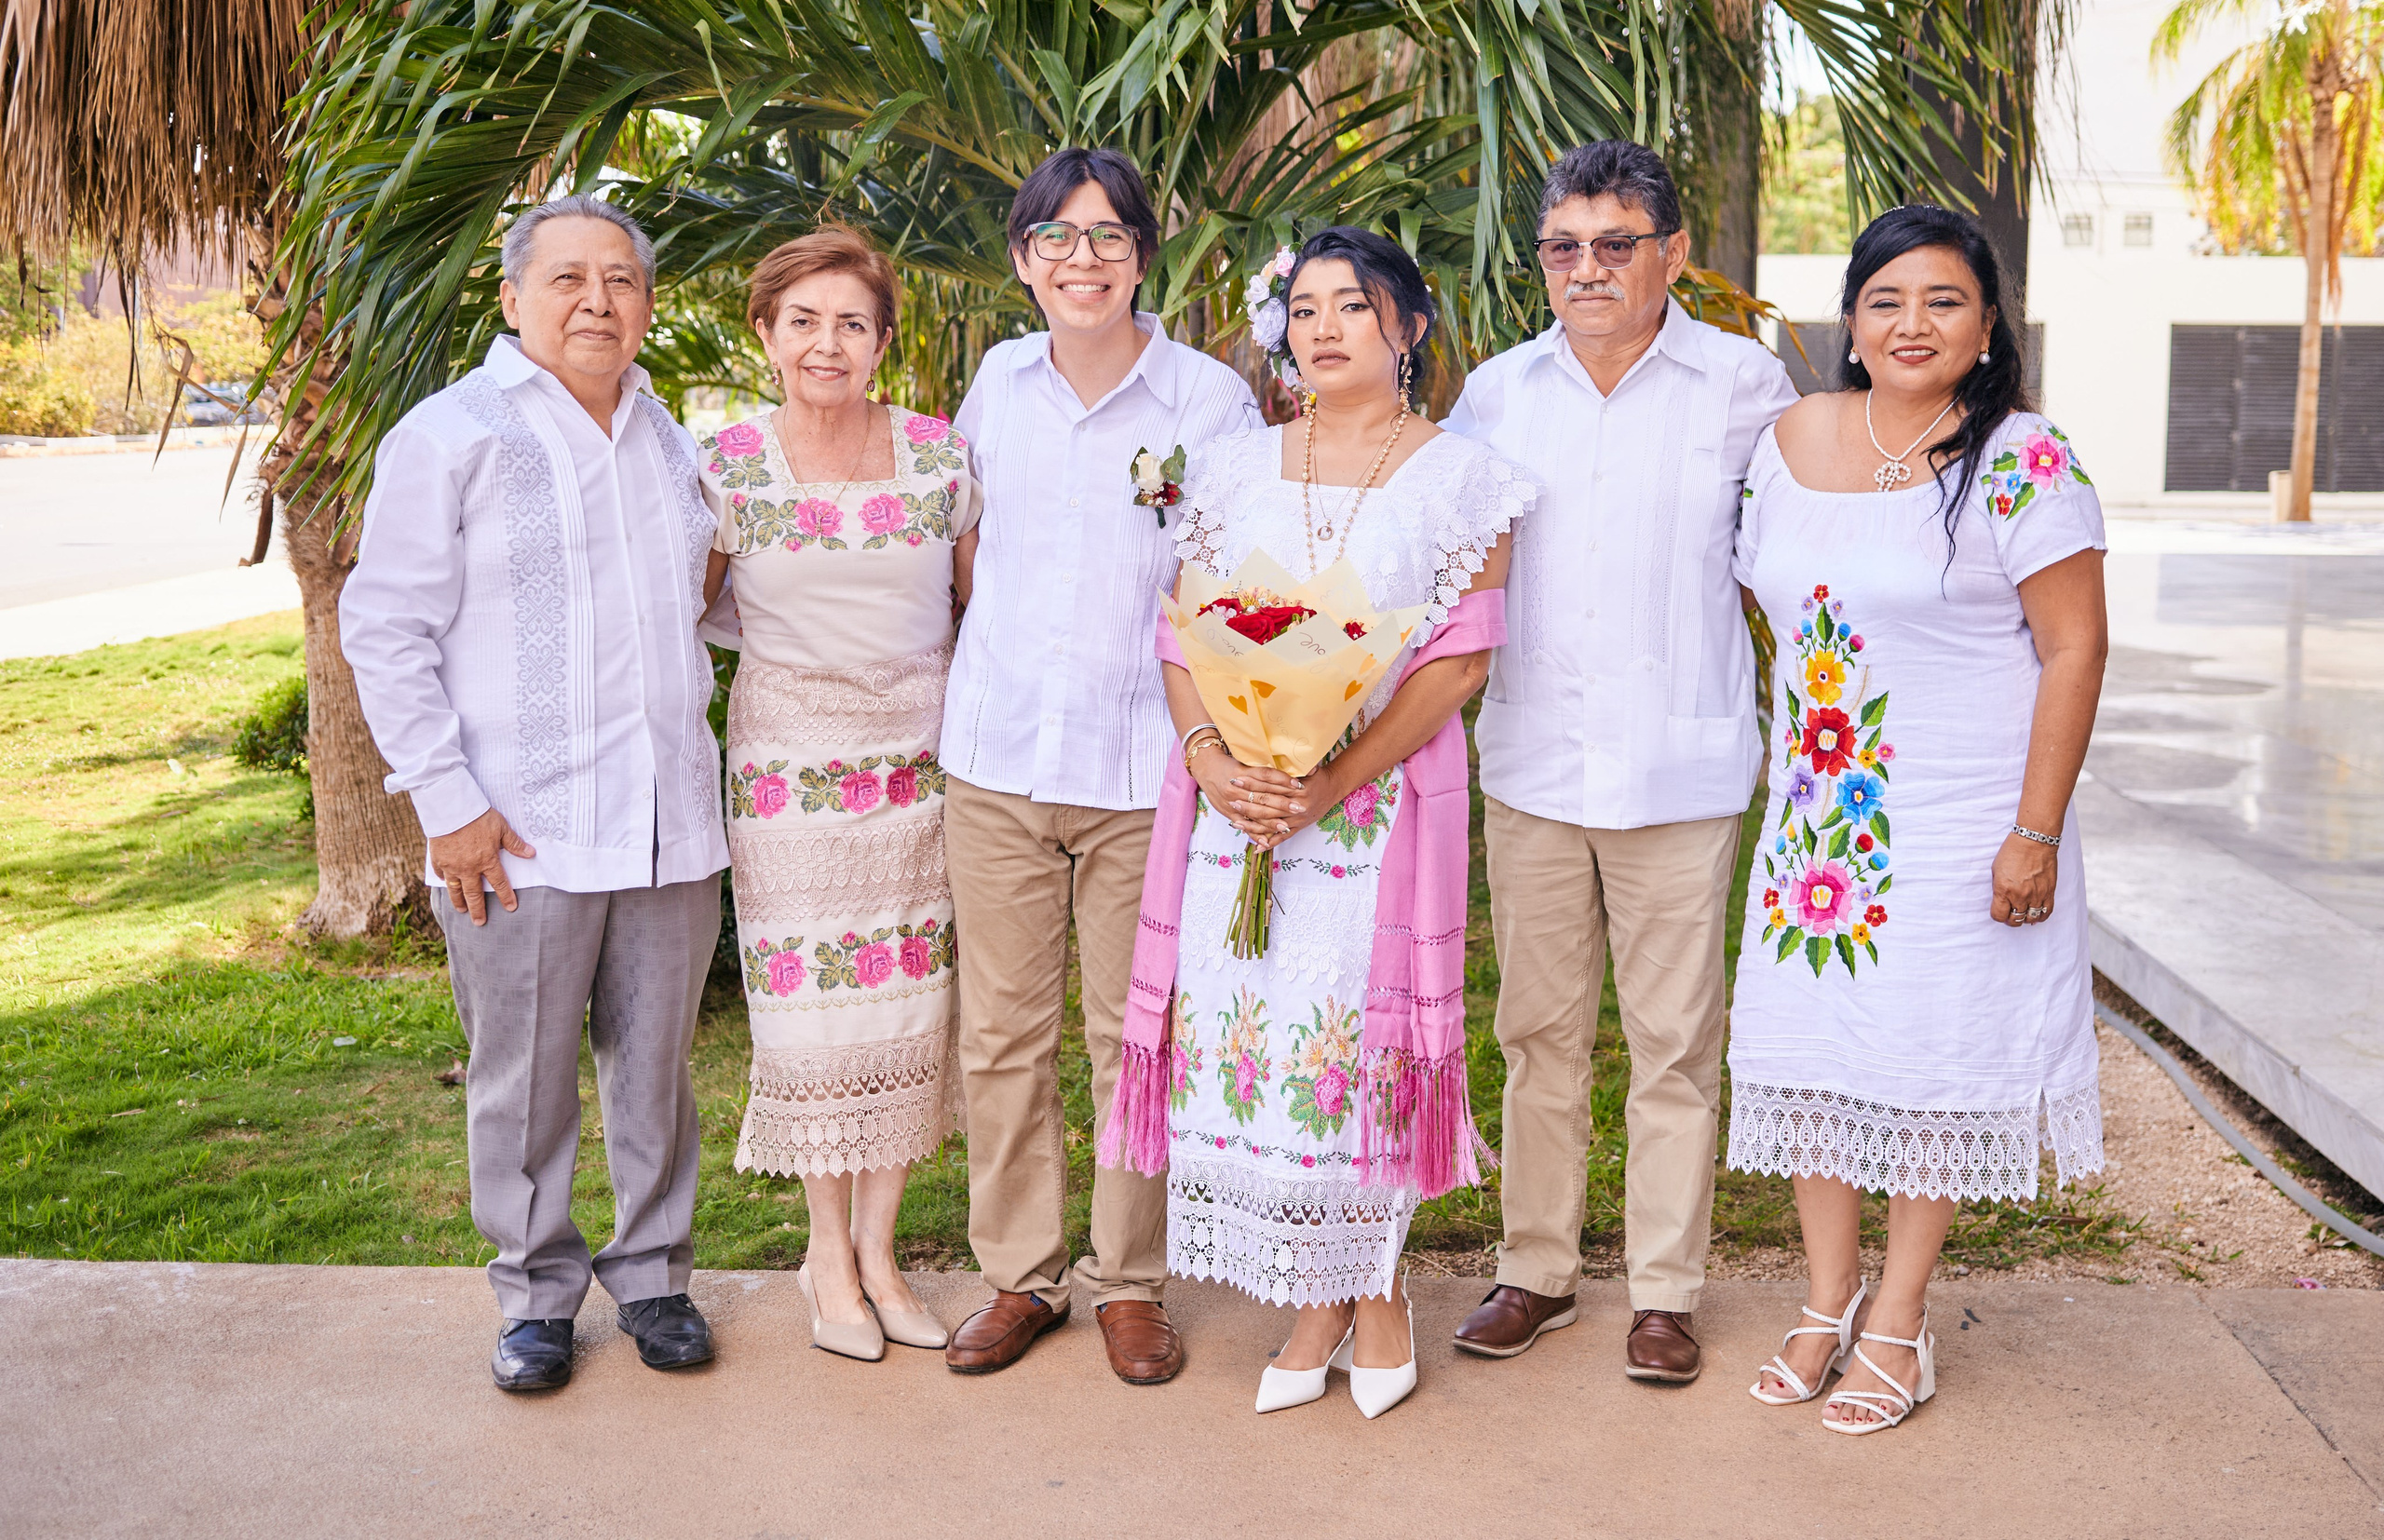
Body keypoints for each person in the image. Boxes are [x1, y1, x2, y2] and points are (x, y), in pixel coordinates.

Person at [1104, 226, 1533, 1420]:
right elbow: (1179, 633)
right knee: (1262, 1039)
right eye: (1304, 310)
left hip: (1376, 812)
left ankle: (1375, 1285)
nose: (1325, 328)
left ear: (1407, 327)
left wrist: (1328, 782)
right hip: (1236, 807)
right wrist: (1215, 756)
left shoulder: (1466, 477)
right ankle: (1315, 1294)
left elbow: (1455, 669)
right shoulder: (1232, 465)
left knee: (1360, 1048)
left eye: (1353, 306)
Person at [1728, 204, 2107, 1433]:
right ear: (1852, 318)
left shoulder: (2026, 459)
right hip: (1815, 836)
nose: (1913, 322)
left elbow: (2075, 646)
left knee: (1925, 1072)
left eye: (1944, 300)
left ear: (1988, 325)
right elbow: (1767, 602)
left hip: (1960, 830)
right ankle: (1826, 1298)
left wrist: (2035, 831)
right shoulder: (1789, 440)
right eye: (1887, 299)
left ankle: (1899, 1317)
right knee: (1816, 1060)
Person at [341, 195, 729, 1393]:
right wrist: (445, 801)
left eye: (620, 280)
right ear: (513, 300)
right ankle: (536, 1294)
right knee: (519, 1074)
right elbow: (385, 624)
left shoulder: (674, 441)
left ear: (648, 304)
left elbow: (712, 602)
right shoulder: (451, 435)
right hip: (516, 830)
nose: (597, 301)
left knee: (655, 1066)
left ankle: (656, 1275)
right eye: (568, 278)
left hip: (669, 821)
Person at [1444, 141, 1799, 1382]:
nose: (1585, 269)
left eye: (1613, 244)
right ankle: (1535, 1268)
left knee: (1675, 1041)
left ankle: (1664, 1289)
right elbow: (1440, 561)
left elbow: (1807, 554)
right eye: (1563, 247)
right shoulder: (1495, 394)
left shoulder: (1747, 386)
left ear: (1674, 253)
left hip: (1678, 768)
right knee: (1536, 1031)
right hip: (1533, 760)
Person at [938, 148, 1264, 1382]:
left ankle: (1130, 1281)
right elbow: (971, 550)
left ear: (1143, 254)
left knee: (1135, 1036)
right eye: (1056, 238)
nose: (1083, 258)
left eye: (1108, 236)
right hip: (999, 754)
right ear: (1024, 260)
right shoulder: (996, 385)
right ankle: (1022, 1275)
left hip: (1146, 767)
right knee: (1003, 1035)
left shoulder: (1209, 404)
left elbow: (1230, 593)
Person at [696, 225, 978, 1362]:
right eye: (803, 320)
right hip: (788, 777)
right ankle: (826, 1259)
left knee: (909, 1008)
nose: (828, 342)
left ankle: (882, 1251)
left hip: (919, 770)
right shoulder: (726, 466)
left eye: (851, 323)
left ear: (882, 342)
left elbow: (977, 612)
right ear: (764, 334)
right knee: (814, 1019)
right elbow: (694, 610)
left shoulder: (942, 460)